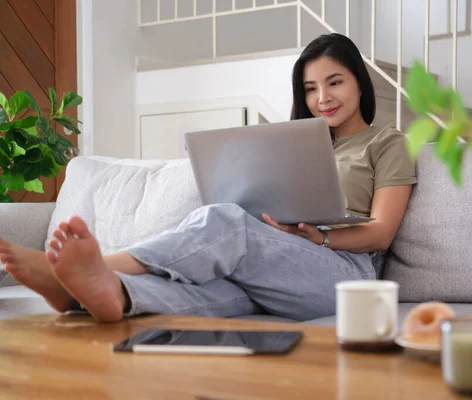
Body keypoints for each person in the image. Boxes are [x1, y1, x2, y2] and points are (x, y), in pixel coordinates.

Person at [0, 33, 416, 323]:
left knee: (226, 222)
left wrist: (318, 238)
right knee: (214, 293)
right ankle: (103, 295)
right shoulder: (295, 143)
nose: (321, 98)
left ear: (360, 83)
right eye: (310, 89)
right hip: (278, 262)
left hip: (347, 273)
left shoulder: (386, 142)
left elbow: (380, 233)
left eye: (334, 83)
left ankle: (99, 265)